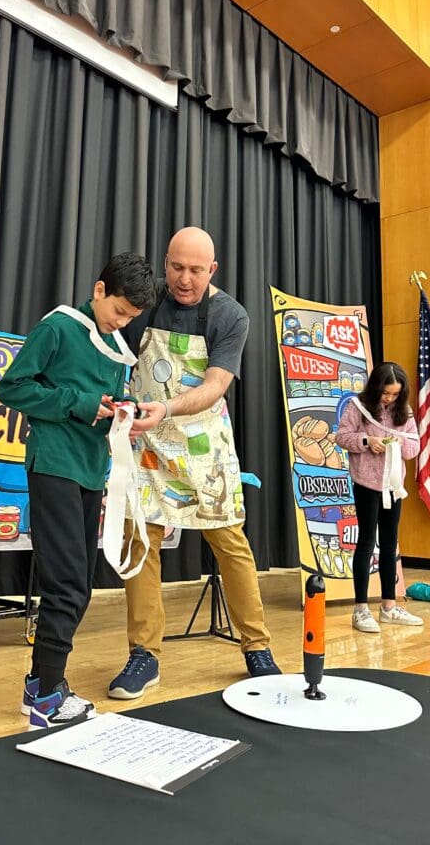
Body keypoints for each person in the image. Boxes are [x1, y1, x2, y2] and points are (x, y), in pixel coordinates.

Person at [105, 227, 280, 699]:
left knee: (231, 543)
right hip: (146, 444)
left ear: (213, 270)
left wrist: (168, 407)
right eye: (177, 268)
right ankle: (144, 655)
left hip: (203, 444)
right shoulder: (147, 303)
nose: (185, 280)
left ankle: (257, 647)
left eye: (196, 271)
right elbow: (110, 344)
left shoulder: (230, 315)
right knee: (140, 543)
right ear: (165, 263)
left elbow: (216, 384)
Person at [0, 252, 157, 728]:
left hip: (91, 470)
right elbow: (13, 388)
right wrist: (80, 403)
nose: (122, 323)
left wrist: (125, 412)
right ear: (99, 290)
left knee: (80, 586)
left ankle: (39, 685)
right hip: (55, 464)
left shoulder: (116, 348)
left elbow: (105, 402)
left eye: (131, 318)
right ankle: (47, 696)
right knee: (66, 586)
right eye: (120, 312)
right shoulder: (60, 328)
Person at [335, 362, 422, 633]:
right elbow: (341, 436)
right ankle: (361, 609)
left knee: (389, 544)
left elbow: (414, 446)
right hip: (366, 483)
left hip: (394, 485)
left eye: (395, 394)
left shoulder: (404, 411)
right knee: (365, 542)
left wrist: (396, 444)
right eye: (386, 394)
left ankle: (389, 606)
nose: (389, 399)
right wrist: (365, 442)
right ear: (376, 388)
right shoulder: (357, 407)